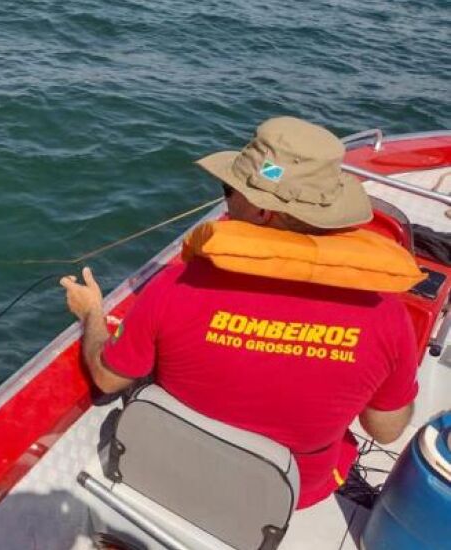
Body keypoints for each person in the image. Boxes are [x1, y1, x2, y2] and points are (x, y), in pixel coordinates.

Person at [61, 116, 421, 509]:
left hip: (169, 468)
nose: (226, 199)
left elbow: (107, 378)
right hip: (290, 495)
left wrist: (91, 313)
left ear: (263, 212)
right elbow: (385, 430)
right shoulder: (387, 316)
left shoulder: (175, 285)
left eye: (229, 190)